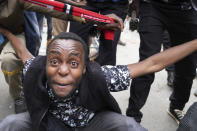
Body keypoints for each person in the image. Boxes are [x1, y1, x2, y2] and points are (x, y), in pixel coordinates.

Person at [1, 19, 197, 130]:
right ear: (45, 65)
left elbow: (152, 63)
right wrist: (8, 33)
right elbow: (22, 51)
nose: (62, 70)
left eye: (74, 63)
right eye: (54, 61)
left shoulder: (100, 75)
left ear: (85, 67)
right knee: (11, 123)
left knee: (129, 126)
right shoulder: (36, 68)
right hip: (50, 124)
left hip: (91, 124)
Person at [126, 0, 197, 124]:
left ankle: (176, 106)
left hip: (187, 9)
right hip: (152, 5)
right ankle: (132, 117)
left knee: (187, 66)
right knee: (146, 63)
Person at [66, 0, 128, 65]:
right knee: (76, 44)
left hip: (116, 4)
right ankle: (78, 71)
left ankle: (104, 73)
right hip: (87, 3)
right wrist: (99, 20)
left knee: (108, 47)